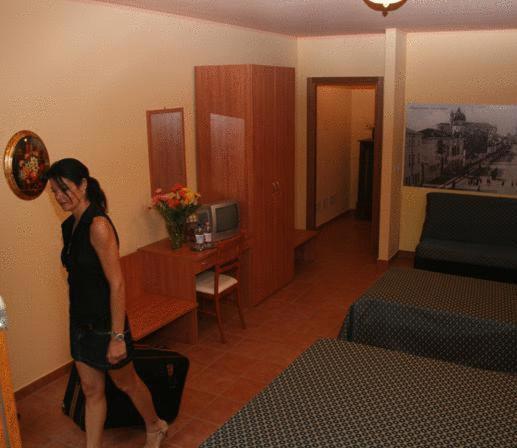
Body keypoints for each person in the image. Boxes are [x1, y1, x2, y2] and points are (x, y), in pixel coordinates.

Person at [46, 158, 168, 448]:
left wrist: (117, 337)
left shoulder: (98, 225)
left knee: (127, 382)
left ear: (83, 184)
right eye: (54, 191)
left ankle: (155, 425)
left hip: (106, 324)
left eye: (64, 188)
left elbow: (117, 283)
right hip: (80, 322)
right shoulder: (69, 226)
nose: (59, 196)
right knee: (91, 391)